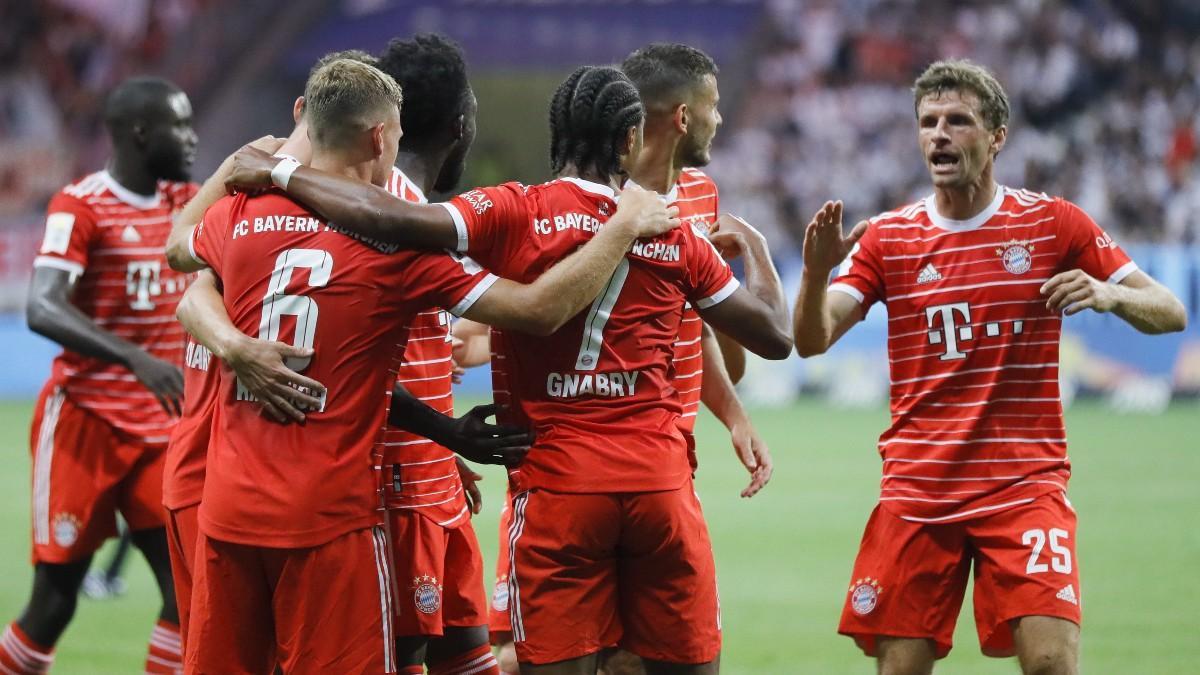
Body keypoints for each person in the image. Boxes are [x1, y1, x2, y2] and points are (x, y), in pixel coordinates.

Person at [223, 64, 793, 675]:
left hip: (558, 489)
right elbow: (775, 337)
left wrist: (283, 171)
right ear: (630, 141)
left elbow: (390, 219)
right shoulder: (673, 231)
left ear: (556, 134)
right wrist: (755, 246)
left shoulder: (515, 211)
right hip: (660, 486)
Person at [792, 59, 1187, 675]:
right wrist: (816, 271)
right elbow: (812, 341)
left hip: (1023, 486)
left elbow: (1170, 311)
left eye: (958, 121)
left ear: (997, 135)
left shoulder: (1053, 223)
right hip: (920, 489)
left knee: (1052, 666)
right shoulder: (889, 239)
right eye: (928, 122)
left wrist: (1113, 295)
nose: (939, 135)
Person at [482, 43, 778, 675]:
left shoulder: (697, 197)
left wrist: (733, 414)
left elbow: (693, 328)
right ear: (674, 117)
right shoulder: (575, 200)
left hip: (658, 459)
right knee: (520, 651)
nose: (719, 120)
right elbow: (541, 307)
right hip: (563, 456)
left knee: (636, 659)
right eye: (713, 106)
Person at [0, 76, 198, 675]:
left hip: (160, 434)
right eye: (179, 125)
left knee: (185, 598)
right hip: (86, 425)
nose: (191, 137)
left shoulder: (185, 203)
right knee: (55, 602)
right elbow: (42, 306)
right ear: (141, 133)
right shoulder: (81, 205)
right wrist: (135, 358)